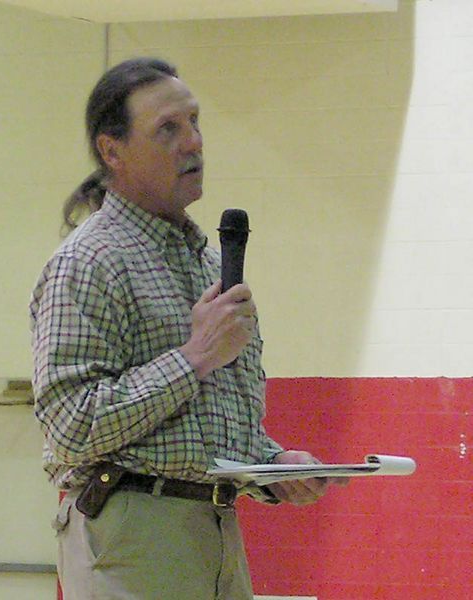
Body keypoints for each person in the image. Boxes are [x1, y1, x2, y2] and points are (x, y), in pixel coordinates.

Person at [30, 57, 345, 600]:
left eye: (195, 122)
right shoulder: (88, 261)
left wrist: (273, 466)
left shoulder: (207, 265)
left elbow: (211, 427)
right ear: (113, 151)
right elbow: (69, 426)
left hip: (217, 531)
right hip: (132, 536)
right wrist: (194, 357)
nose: (193, 142)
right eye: (167, 129)